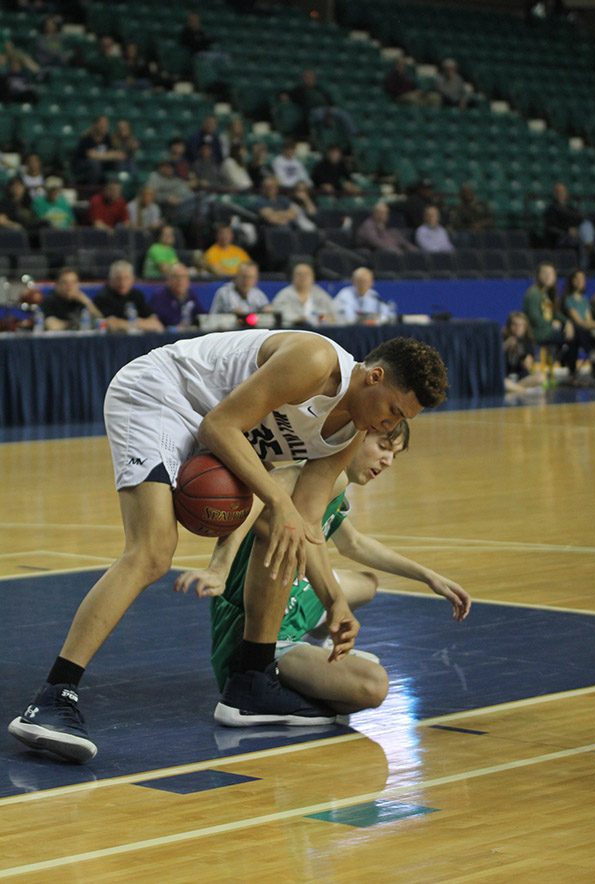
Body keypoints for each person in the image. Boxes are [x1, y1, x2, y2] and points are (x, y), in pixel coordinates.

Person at [8, 332, 447, 759]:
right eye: (390, 410)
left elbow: (308, 522)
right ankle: (52, 698)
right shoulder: (315, 362)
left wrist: (335, 601)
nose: (388, 426)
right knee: (153, 552)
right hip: (162, 395)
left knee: (287, 529)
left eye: (399, 420)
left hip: (210, 425)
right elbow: (218, 424)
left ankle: (253, 681)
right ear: (373, 376)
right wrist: (276, 499)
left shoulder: (349, 432)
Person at [176, 424, 470, 717]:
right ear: (355, 439)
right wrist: (219, 568)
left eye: (394, 454)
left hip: (288, 603)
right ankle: (271, 682)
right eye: (383, 446)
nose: (388, 461)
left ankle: (311, 655)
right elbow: (255, 499)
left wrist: (428, 576)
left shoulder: (332, 489)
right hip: (254, 633)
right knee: (373, 685)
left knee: (366, 583)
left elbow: (353, 543)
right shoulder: (309, 475)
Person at [522, 261, 577, 378]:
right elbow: (534, 317)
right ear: (538, 276)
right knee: (575, 338)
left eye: (551, 274)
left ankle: (563, 361)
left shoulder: (544, 294)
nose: (548, 276)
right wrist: (551, 324)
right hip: (539, 333)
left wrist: (567, 322)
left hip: (547, 330)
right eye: (545, 273)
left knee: (574, 332)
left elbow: (554, 313)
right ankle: (571, 372)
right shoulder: (533, 294)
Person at [93, 259, 164, 333]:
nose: (122, 282)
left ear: (132, 279)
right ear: (111, 279)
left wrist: (128, 324)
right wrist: (140, 323)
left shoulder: (137, 295)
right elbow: (110, 324)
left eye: (126, 278)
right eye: (118, 278)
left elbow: (156, 324)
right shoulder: (103, 297)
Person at [544, 182, 595, 268]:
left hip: (578, 234)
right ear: (555, 194)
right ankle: (583, 269)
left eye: (563, 191)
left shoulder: (570, 208)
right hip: (560, 238)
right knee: (580, 243)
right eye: (558, 191)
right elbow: (550, 227)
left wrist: (575, 229)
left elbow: (581, 218)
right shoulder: (551, 210)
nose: (561, 194)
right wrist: (567, 230)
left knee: (586, 224)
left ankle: (589, 243)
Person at [561, 269, 595, 377]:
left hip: (586, 331)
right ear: (573, 281)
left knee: (592, 334)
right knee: (579, 331)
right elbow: (579, 321)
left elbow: (589, 320)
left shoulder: (584, 300)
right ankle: (592, 355)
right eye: (579, 279)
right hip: (575, 331)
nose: (582, 281)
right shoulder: (569, 299)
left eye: (583, 279)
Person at [271, 262, 336, 326]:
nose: (303, 277)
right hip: (293, 331)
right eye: (299, 274)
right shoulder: (284, 294)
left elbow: (334, 316)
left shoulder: (321, 294)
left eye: (306, 274)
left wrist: (328, 319)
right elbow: (278, 314)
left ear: (313, 277)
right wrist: (299, 319)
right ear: (293, 277)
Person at [41, 266, 104, 331]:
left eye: (73, 282)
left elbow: (101, 320)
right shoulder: (49, 301)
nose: (70, 286)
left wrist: (87, 302)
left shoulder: (82, 301)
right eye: (65, 282)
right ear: (57, 285)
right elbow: (52, 325)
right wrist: (73, 324)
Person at [72, 115, 126, 186]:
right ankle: (93, 190)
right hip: (82, 165)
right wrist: (109, 155)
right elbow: (91, 155)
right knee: (94, 164)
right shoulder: (87, 137)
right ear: (95, 125)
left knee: (119, 163)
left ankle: (117, 187)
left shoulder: (107, 138)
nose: (104, 127)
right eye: (102, 124)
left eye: (106, 124)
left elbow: (118, 154)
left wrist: (103, 156)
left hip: (102, 164)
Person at [149, 262, 205, 329]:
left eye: (184, 277)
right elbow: (165, 320)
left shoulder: (191, 295)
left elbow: (201, 315)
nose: (180, 281)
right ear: (169, 280)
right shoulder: (160, 296)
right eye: (176, 277)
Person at [501, 311, 545, 393]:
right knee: (503, 383)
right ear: (509, 326)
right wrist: (506, 346)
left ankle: (515, 389)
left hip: (521, 379)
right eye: (514, 325)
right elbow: (494, 358)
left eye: (521, 325)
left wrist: (522, 354)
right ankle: (526, 391)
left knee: (541, 378)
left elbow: (527, 367)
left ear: (525, 327)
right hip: (506, 378)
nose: (518, 328)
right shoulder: (502, 339)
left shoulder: (528, 342)